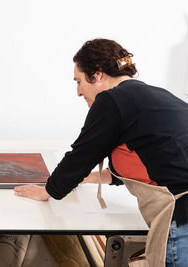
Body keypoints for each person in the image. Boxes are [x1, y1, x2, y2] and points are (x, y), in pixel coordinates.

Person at [14, 38, 188, 267]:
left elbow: (82, 154)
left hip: (182, 221)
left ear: (97, 75)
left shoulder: (112, 99)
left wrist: (48, 191)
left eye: (78, 81)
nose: (78, 92)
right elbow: (155, 160)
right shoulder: (157, 97)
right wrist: (95, 177)